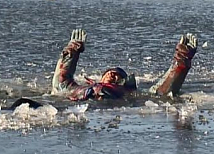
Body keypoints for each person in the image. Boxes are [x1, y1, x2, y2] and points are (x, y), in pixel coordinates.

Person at [51, 29, 198, 101]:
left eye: (119, 75)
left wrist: (182, 60)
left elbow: (164, 90)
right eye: (110, 73)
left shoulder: (130, 94)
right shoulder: (81, 88)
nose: (114, 75)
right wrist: (72, 51)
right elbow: (60, 83)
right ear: (101, 79)